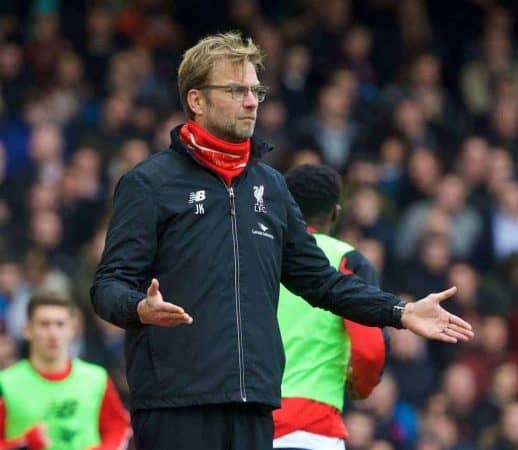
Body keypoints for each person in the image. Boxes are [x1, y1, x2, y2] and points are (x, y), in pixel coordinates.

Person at [90, 31, 473, 450]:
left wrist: (399, 311)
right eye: (236, 90)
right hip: (175, 406)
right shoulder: (149, 184)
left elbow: (321, 282)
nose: (252, 101)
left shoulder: (271, 187)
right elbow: (107, 287)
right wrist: (139, 308)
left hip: (255, 406)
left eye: (256, 90)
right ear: (196, 101)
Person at [274, 164, 389, 450]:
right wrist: (361, 386)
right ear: (336, 212)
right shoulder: (346, 260)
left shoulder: (261, 254)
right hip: (311, 429)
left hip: (249, 426)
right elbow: (370, 349)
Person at [0, 292, 131, 450]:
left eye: (60, 324)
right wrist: (23, 445)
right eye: (44, 324)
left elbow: (118, 427)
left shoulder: (96, 378)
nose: (53, 333)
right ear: (27, 329)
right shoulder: (5, 384)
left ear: (72, 329)